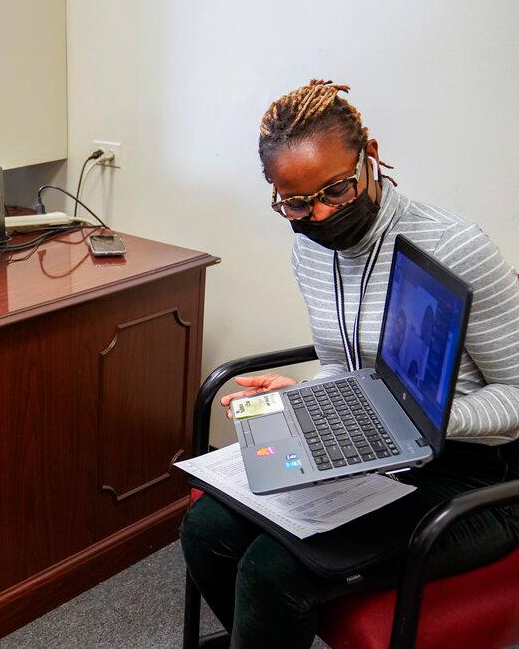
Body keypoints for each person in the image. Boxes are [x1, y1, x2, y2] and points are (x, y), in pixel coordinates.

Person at [180, 80, 519, 648]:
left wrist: (424, 423)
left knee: (272, 573)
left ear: (371, 157)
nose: (319, 214)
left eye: (335, 190)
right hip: (384, 454)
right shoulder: (310, 245)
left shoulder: (455, 246)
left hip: (477, 480)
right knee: (205, 529)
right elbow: (345, 364)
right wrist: (310, 397)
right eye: (295, 202)